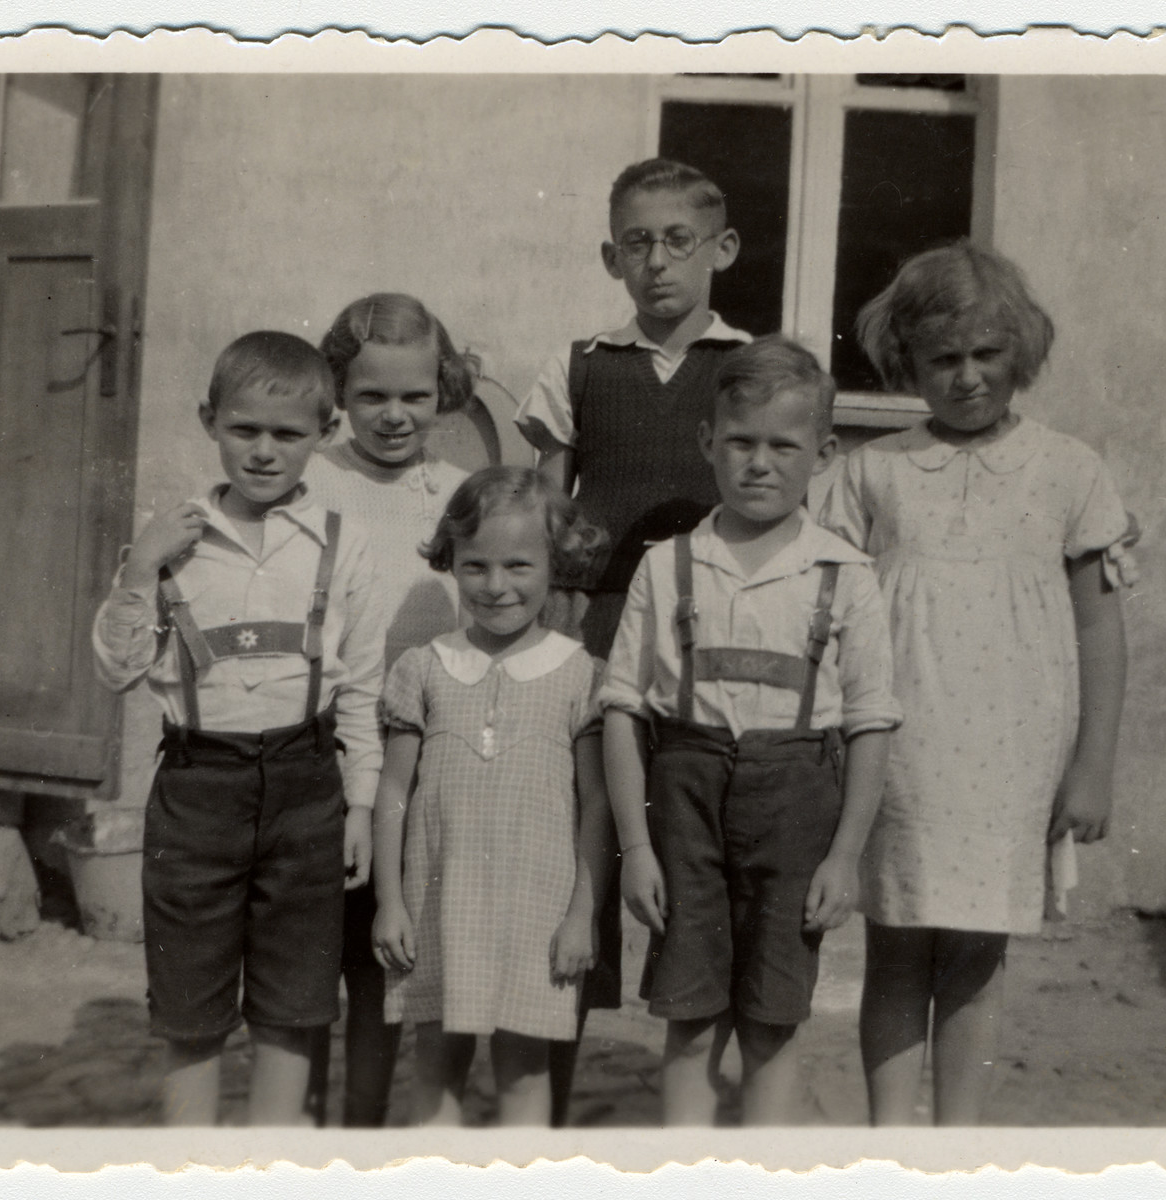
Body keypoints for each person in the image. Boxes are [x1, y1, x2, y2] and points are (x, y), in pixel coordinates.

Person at [818, 240, 1137, 1125]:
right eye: (942, 359)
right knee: (896, 941)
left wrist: (1093, 766)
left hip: (1014, 745)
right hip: (899, 744)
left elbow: (1100, 628)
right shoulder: (869, 471)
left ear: (1020, 354)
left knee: (974, 951)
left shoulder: (1070, 471)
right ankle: (890, 1145)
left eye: (985, 355)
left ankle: (953, 1148)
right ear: (907, 364)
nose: (965, 378)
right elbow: (826, 618)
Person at [599, 336, 901, 1125]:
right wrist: (636, 848)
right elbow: (624, 708)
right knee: (691, 1016)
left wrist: (844, 856)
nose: (758, 464)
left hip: (796, 808)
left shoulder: (845, 575)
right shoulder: (667, 566)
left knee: (772, 1023)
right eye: (740, 442)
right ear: (707, 443)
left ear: (824, 453)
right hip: (685, 803)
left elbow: (871, 724)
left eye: (782, 445)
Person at [92, 331, 384, 1125]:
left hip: (306, 790)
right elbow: (118, 671)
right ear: (208, 421)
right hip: (198, 790)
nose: (263, 451)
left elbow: (360, 686)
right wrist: (138, 571)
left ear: (323, 436)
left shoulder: (342, 542)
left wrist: (360, 806)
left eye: (288, 435)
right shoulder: (170, 539)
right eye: (244, 429)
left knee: (294, 1004)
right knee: (191, 1006)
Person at [514, 157, 750, 1119]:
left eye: (679, 241)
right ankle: (548, 1101)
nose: (658, 263)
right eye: (637, 244)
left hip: (705, 640)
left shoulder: (748, 367)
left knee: (693, 849)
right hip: (597, 628)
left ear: (721, 250)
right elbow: (544, 513)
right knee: (581, 851)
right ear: (612, 256)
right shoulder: (578, 367)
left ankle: (690, 1105)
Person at [370, 467, 612, 1126]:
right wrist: (390, 900)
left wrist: (581, 916)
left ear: (554, 564)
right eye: (475, 565)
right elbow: (393, 787)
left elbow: (597, 805)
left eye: (518, 565)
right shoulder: (423, 667)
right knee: (435, 1065)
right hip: (437, 903)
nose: (496, 585)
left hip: (537, 911)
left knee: (525, 1074)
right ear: (451, 561)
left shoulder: (579, 675)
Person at [301, 292, 475, 1127]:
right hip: (319, 748)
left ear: (445, 390)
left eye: (416, 396)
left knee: (383, 955)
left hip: (417, 756)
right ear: (338, 390)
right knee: (307, 957)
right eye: (372, 396)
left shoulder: (460, 492)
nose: (395, 416)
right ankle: (302, 1130)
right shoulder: (310, 477)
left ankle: (364, 1129)